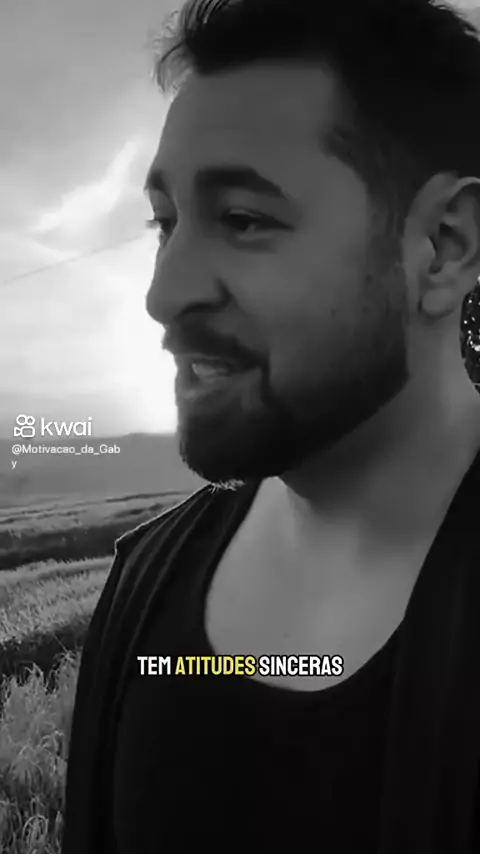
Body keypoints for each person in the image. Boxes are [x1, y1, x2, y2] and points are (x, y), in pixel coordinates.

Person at [61, 1, 480, 852]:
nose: (164, 295)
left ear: (442, 248)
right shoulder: (144, 582)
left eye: (244, 220)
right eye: (166, 224)